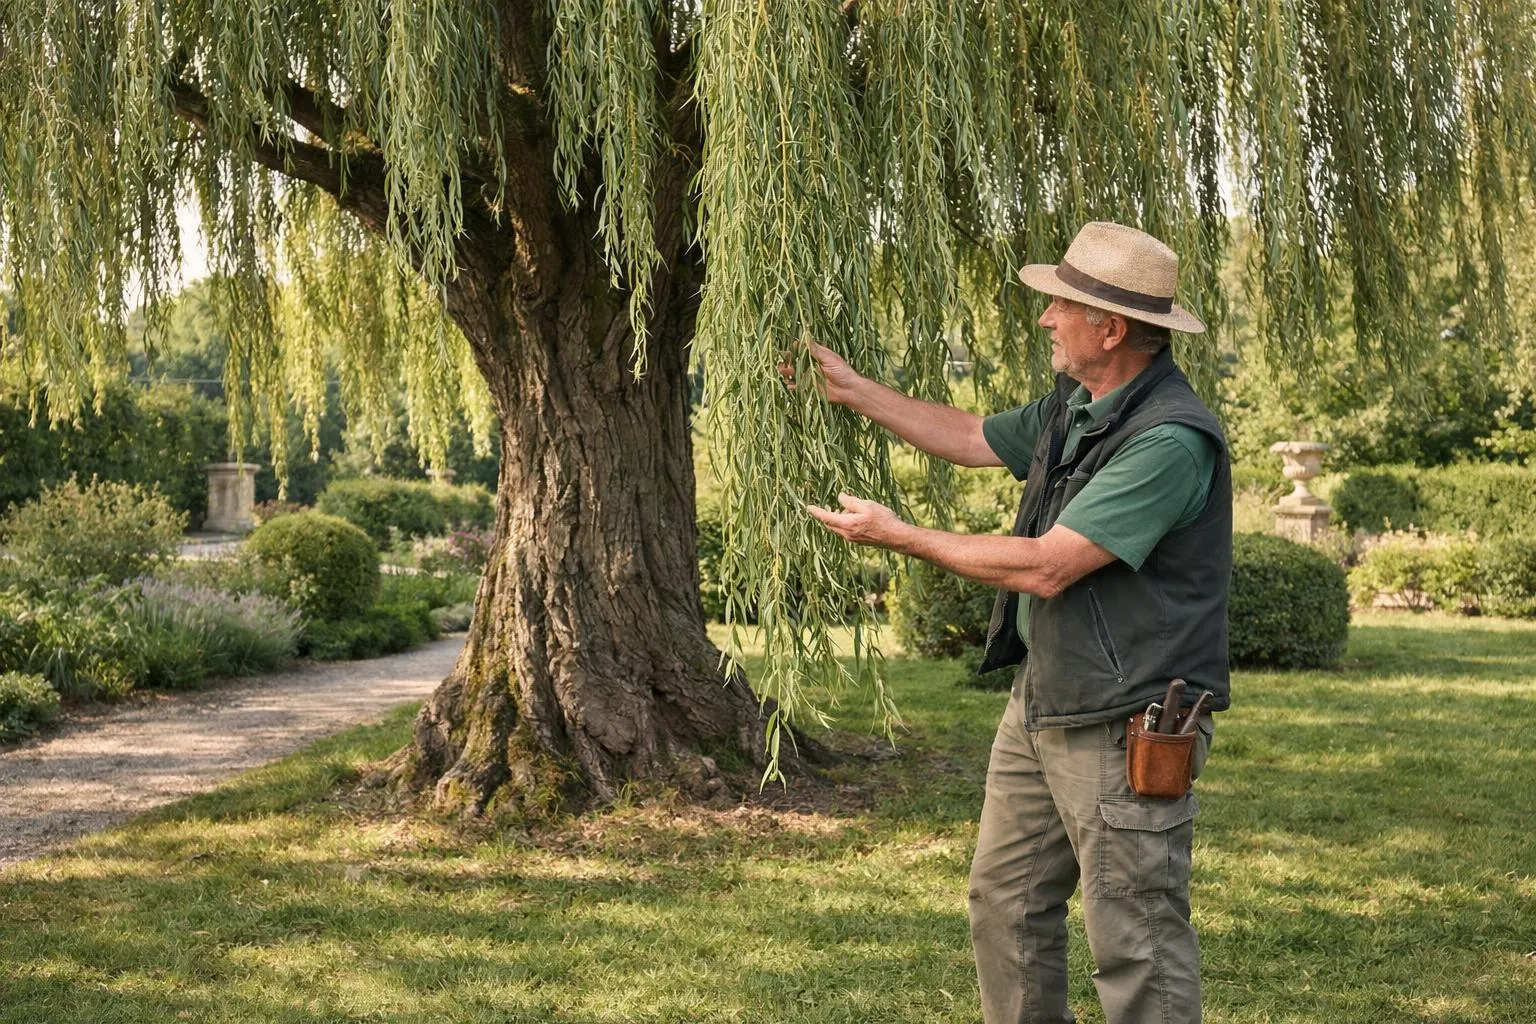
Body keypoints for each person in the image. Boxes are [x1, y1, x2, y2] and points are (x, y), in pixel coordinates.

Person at [798, 221, 1231, 1024]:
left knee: (1136, 940)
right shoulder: (1080, 404)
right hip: (1047, 698)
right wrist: (853, 389)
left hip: (1126, 719)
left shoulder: (1168, 440)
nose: (1043, 320)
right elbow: (968, 437)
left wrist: (897, 535)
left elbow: (1047, 565)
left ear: (1111, 328)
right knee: (1005, 904)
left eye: (1059, 306)